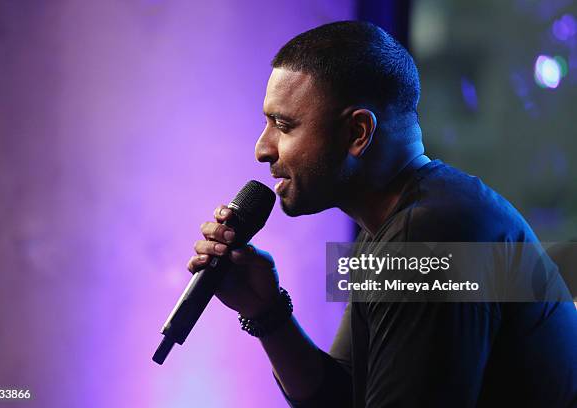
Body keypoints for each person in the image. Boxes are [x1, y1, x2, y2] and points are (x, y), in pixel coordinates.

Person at [186, 21, 577, 407]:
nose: (262, 148)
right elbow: (342, 396)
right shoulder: (397, 226)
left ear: (359, 132)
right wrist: (266, 311)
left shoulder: (425, 237)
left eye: (283, 125)